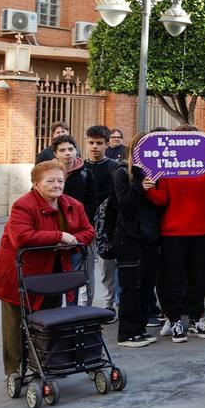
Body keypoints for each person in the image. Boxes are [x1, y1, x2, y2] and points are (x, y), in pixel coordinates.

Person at [0, 160, 94, 376]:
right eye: (50, 181)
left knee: (49, 320)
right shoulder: (24, 205)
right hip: (19, 272)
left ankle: (46, 364)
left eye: (60, 180)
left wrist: (73, 239)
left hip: (54, 272)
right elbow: (21, 237)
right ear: (37, 184)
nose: (57, 185)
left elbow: (89, 231)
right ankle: (15, 370)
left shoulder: (73, 205)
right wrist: (59, 237)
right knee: (16, 323)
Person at [144, 125, 205, 343]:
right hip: (173, 231)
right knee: (173, 278)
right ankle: (175, 319)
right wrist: (149, 188)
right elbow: (162, 200)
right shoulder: (165, 166)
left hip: (202, 229)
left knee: (198, 277)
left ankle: (197, 318)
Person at [112, 132, 163, 347]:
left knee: (145, 285)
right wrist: (140, 187)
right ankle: (127, 333)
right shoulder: (123, 172)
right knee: (131, 287)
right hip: (129, 239)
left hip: (150, 238)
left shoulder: (156, 173)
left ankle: (140, 329)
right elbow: (124, 203)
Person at [84, 125, 120, 310]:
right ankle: (85, 306)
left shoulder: (114, 168)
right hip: (84, 226)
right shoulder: (80, 168)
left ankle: (109, 305)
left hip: (107, 227)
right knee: (85, 269)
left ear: (107, 144)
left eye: (99, 143)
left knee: (107, 269)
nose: (95, 146)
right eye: (91, 142)